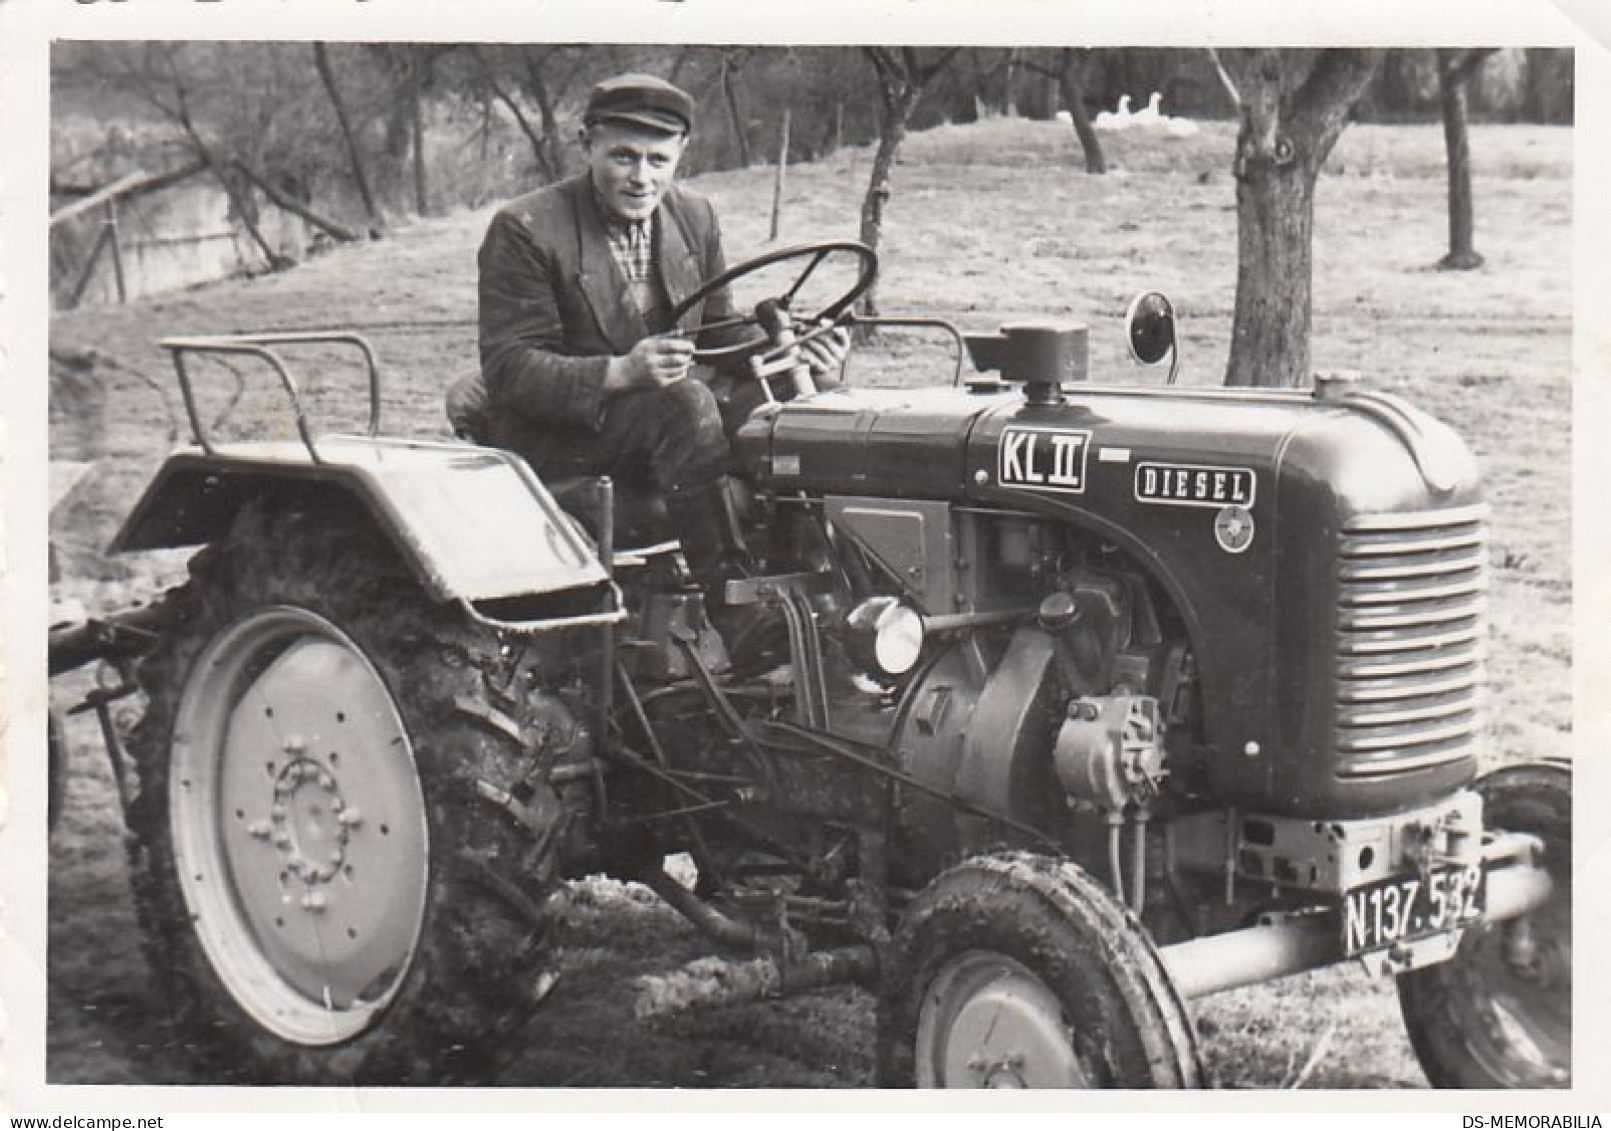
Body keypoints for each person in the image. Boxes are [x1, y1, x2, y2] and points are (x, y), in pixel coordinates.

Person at [459, 71, 848, 599]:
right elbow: (508, 370)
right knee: (686, 403)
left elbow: (716, 328)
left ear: (682, 152)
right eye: (623, 156)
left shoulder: (694, 216)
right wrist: (620, 372)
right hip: (563, 430)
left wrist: (790, 345)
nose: (642, 176)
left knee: (807, 407)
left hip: (670, 421)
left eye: (658, 160)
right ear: (587, 143)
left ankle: (808, 591)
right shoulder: (526, 228)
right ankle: (734, 605)